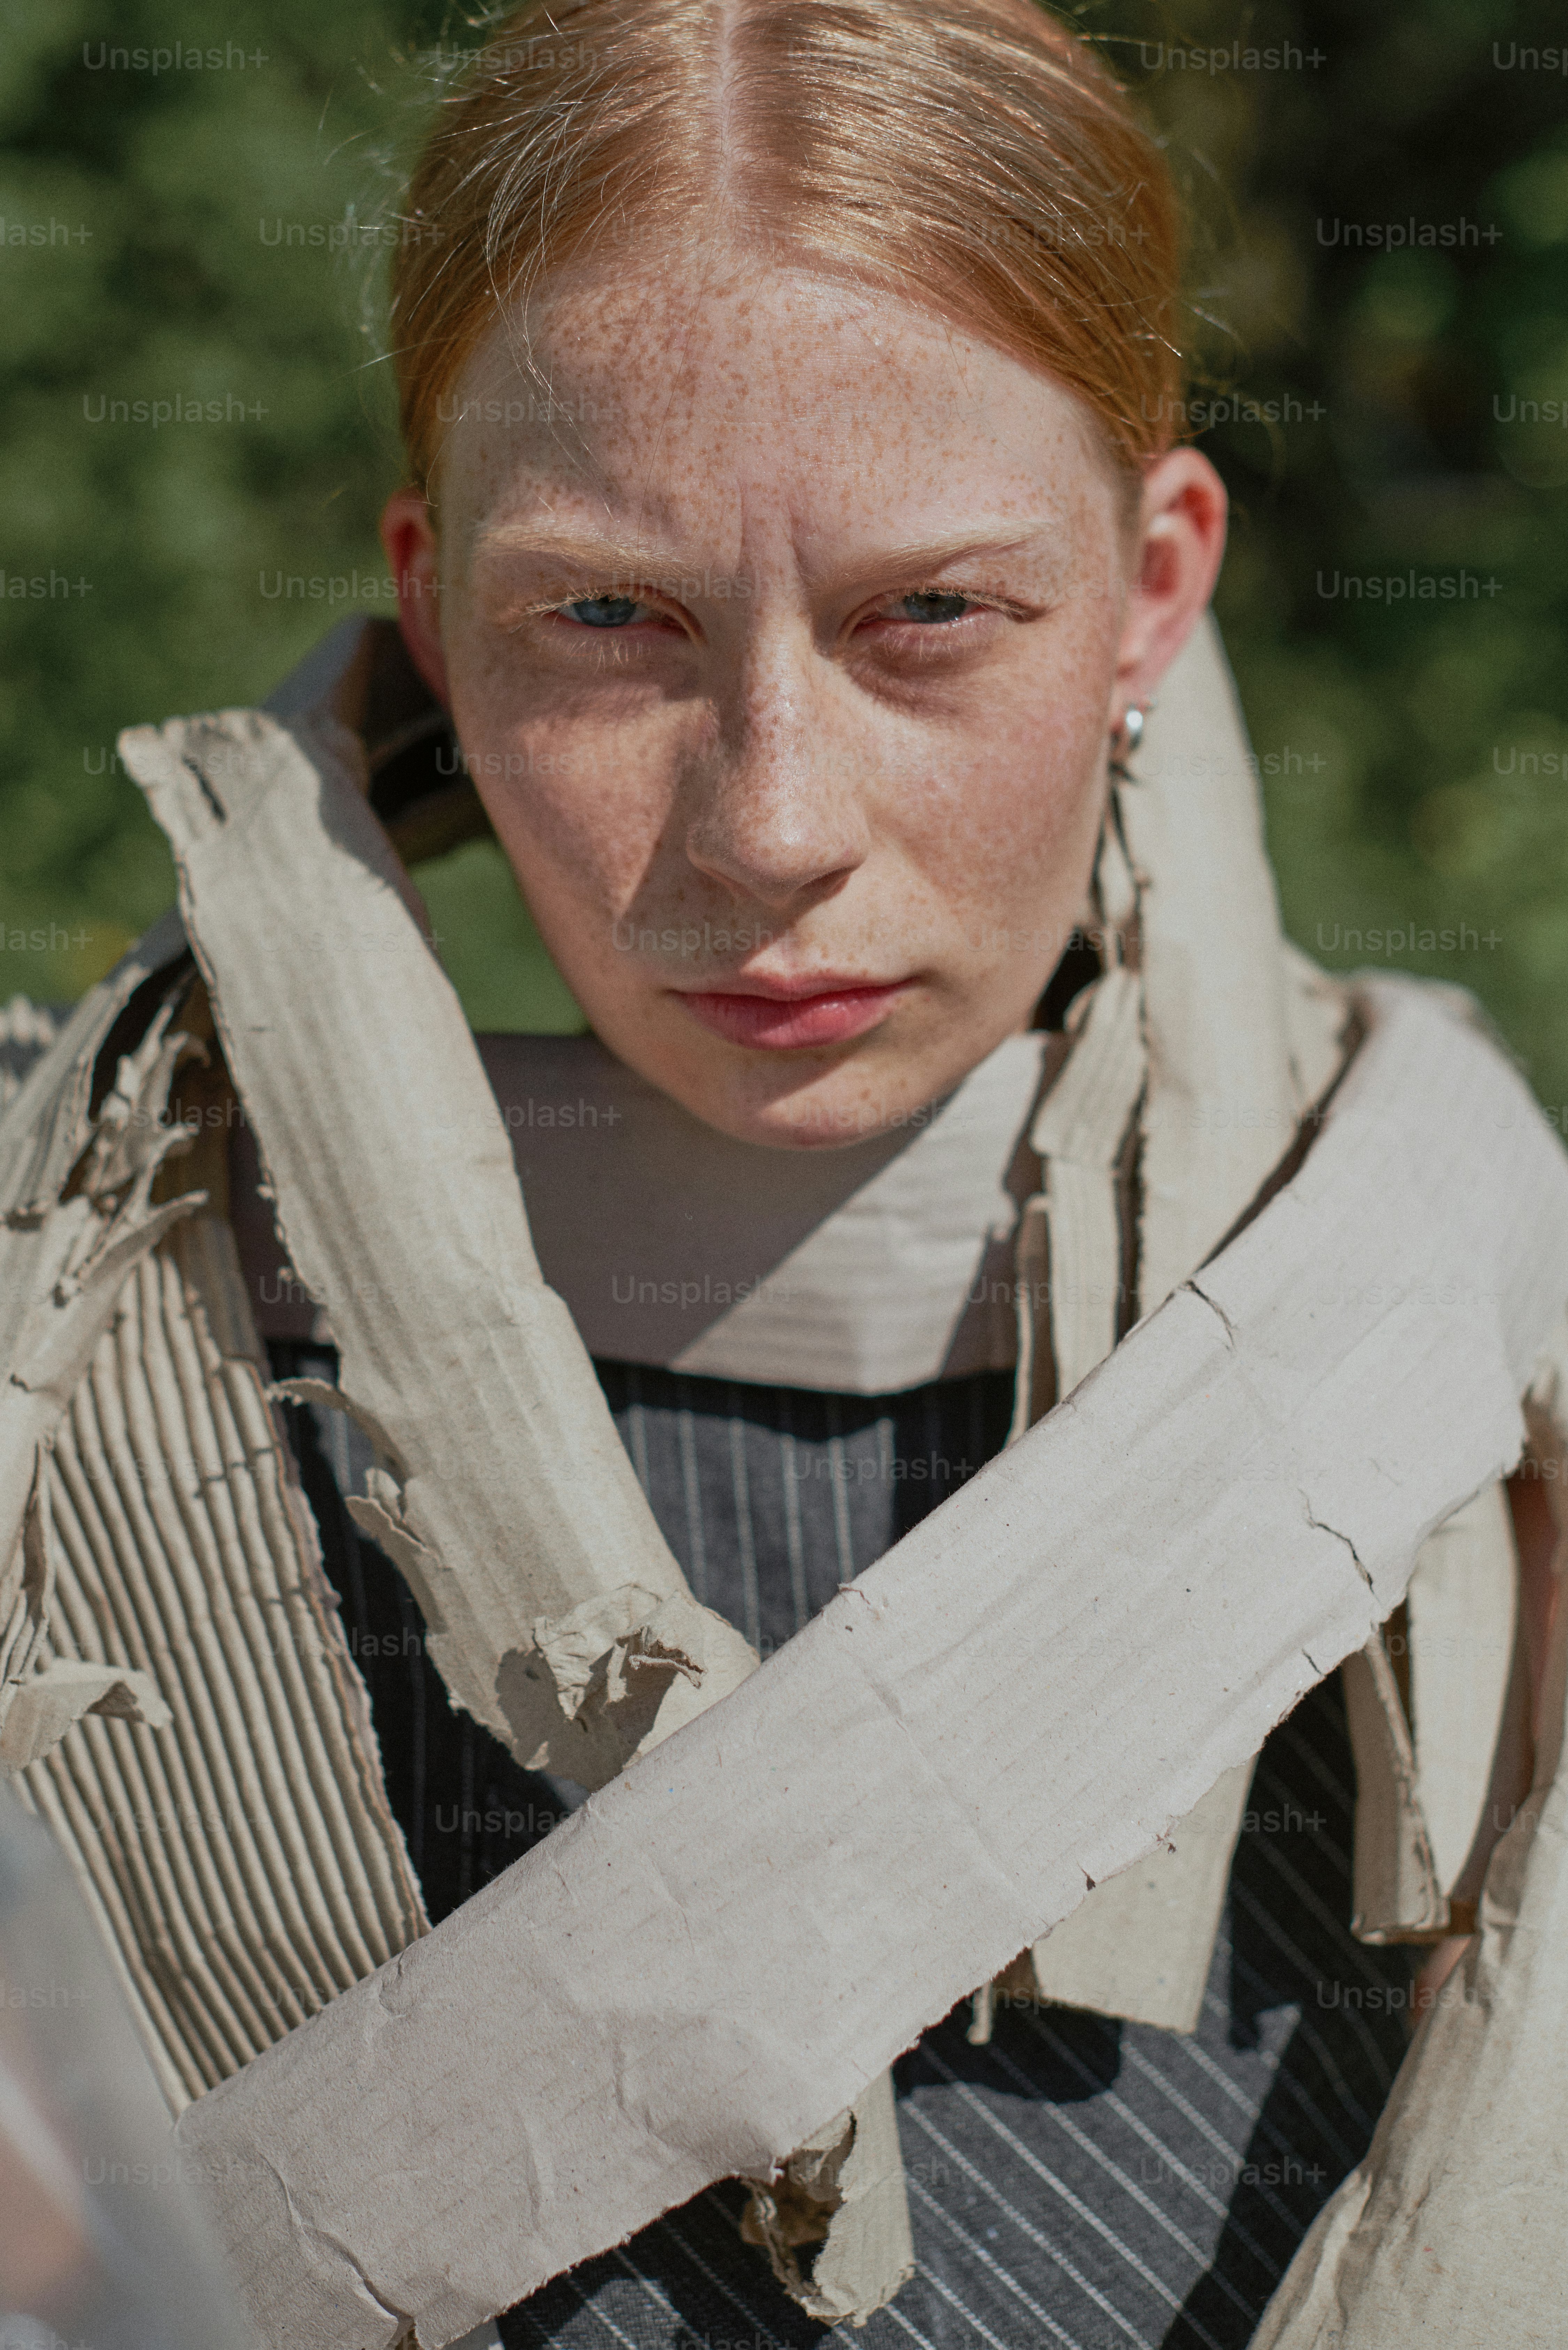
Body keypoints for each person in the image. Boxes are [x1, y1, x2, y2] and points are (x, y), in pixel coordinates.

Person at [1, 5, 1560, 2345]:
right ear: (433, 609)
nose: (769, 827)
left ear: (1151, 584)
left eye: (929, 614)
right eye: (606, 619)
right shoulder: (56, 1318)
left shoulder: (1475, 1326)